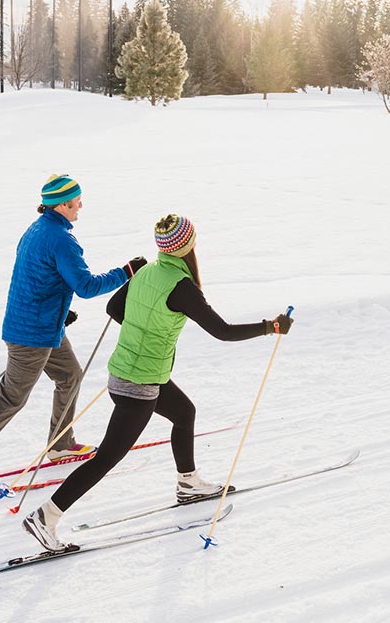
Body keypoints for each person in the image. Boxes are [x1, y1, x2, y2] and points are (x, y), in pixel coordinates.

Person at [22, 213, 294, 552]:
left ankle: (188, 483)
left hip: (132, 370)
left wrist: (145, 328)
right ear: (187, 245)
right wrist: (272, 327)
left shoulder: (148, 271)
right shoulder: (182, 288)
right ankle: (45, 516)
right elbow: (222, 332)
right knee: (107, 457)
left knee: (184, 413)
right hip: (139, 383)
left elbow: (114, 307)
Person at [0, 174, 146, 491]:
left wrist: (59, 311)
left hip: (45, 326)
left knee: (70, 374)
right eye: (76, 201)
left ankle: (60, 443)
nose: (81, 206)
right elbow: (86, 286)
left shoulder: (38, 230)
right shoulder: (60, 239)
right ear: (61, 204)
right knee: (10, 400)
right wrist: (127, 272)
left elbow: (37, 277)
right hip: (30, 334)